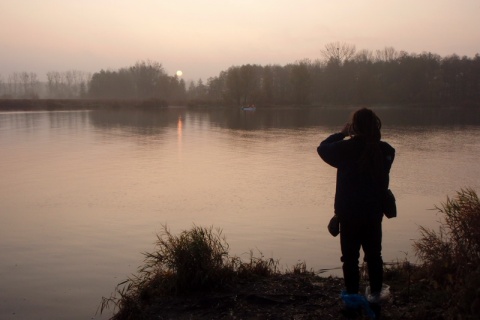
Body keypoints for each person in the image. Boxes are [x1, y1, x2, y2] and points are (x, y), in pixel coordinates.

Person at [317, 108, 395, 316]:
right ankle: (375, 300)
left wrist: (342, 133)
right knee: (374, 256)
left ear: (355, 126)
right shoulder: (387, 151)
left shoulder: (345, 149)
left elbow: (322, 148)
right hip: (373, 214)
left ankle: (352, 303)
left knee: (350, 259)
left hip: (349, 214)